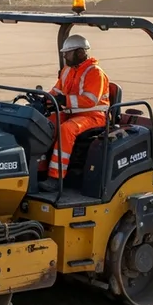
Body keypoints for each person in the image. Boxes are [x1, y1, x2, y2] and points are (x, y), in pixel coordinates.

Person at [39, 34, 110, 193]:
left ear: (80, 53)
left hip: (93, 116)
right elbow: (57, 90)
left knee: (66, 129)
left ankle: (56, 178)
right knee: (43, 123)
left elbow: (89, 100)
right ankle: (39, 167)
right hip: (71, 112)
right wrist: (46, 99)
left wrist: (64, 100)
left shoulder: (94, 73)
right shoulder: (68, 70)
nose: (65, 56)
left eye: (68, 53)